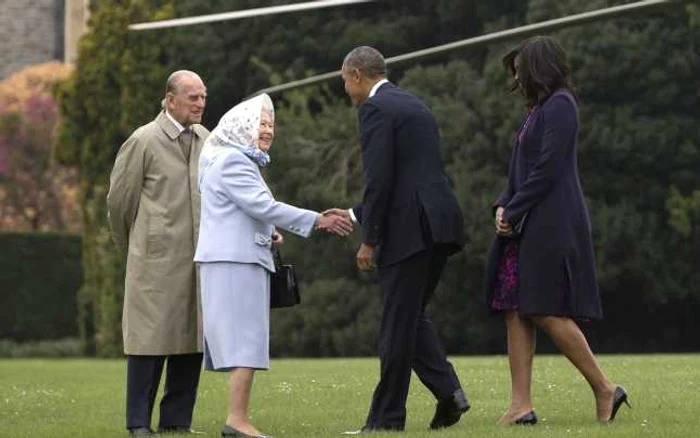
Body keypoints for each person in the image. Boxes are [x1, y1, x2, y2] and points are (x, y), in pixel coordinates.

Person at [485, 36, 630, 425]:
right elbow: (520, 169)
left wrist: (513, 209)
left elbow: (548, 168)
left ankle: (605, 388)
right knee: (514, 308)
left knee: (543, 308)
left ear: (538, 68)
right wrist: (502, 204)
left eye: (520, 70)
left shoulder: (562, 105)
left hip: (550, 222)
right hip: (525, 222)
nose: (516, 79)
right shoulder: (536, 111)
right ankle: (520, 406)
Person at [326, 46, 469, 433]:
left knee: (395, 324)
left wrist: (369, 239)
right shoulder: (413, 104)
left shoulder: (373, 110)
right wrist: (355, 213)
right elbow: (409, 176)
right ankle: (449, 394)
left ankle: (386, 421)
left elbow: (381, 180)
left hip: (409, 231)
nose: (345, 88)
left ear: (356, 74)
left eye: (343, 80)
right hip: (440, 223)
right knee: (410, 318)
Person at [194, 93, 353, 438]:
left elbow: (244, 211)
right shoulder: (234, 162)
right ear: (243, 126)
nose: (268, 131)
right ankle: (237, 421)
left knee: (244, 342)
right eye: (261, 124)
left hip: (233, 259)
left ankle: (237, 419)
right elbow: (265, 206)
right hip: (234, 262)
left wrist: (268, 233)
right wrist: (317, 220)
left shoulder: (228, 160)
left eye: (271, 125)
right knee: (244, 342)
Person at [107, 70, 209, 435]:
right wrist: (136, 250)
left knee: (190, 339)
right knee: (148, 342)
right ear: (170, 99)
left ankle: (176, 421)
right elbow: (119, 205)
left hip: (198, 260)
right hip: (153, 262)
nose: (200, 104)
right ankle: (138, 423)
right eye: (193, 97)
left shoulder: (207, 140)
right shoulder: (143, 141)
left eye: (203, 97)